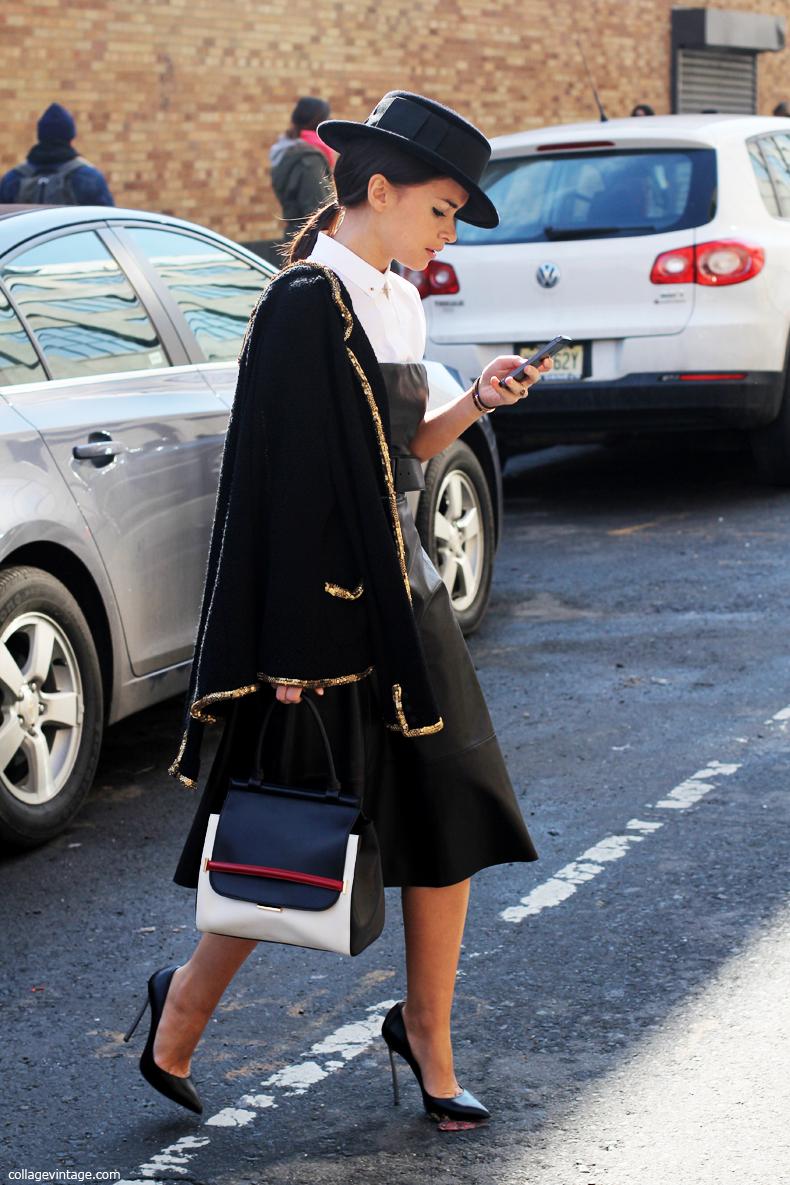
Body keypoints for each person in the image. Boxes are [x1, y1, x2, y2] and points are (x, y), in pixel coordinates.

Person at [128, 90, 550, 1132]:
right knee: (301, 828)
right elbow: (274, 491)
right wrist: (287, 649)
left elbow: (403, 455)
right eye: (442, 209)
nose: (445, 233)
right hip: (321, 617)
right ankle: (176, 1017)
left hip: (403, 590)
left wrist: (477, 401)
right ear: (378, 190)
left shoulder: (396, 300)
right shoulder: (301, 307)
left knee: (452, 811)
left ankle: (427, 1036)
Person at [0, 103, 114, 206]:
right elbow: (107, 220)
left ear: (40, 136)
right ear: (70, 136)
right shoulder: (88, 177)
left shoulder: (14, 177)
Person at [270, 96, 335, 231]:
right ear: (320, 122)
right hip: (309, 243)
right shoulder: (309, 160)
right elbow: (319, 213)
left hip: (296, 237)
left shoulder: (287, 151)